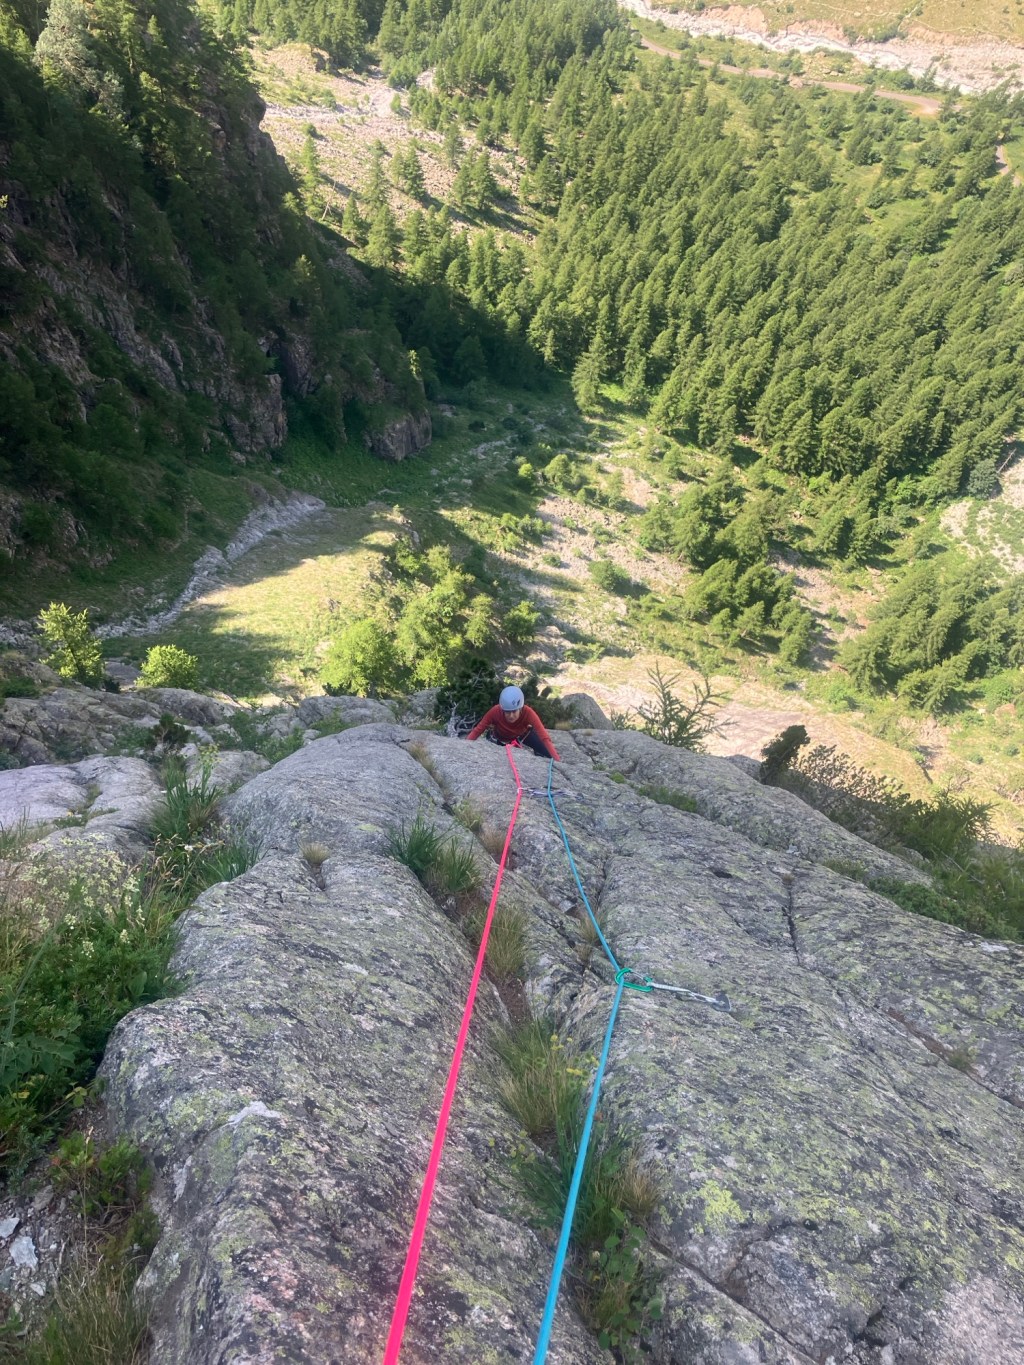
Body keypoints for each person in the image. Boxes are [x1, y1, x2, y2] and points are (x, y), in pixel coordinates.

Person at [466, 685, 561, 760]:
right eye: (507, 712)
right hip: (500, 739)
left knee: (547, 753)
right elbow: (479, 729)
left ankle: (539, 753)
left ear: (520, 708)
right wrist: (464, 747)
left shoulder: (528, 712)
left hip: (522, 736)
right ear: (502, 709)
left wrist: (556, 760)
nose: (511, 716)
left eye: (514, 711)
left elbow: (544, 736)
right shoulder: (495, 711)